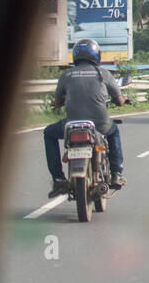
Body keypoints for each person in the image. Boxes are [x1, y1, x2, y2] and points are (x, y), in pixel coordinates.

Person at [44, 38, 126, 194]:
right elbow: (119, 100)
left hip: (72, 125)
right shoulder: (104, 74)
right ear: (96, 55)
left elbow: (57, 101)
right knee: (113, 132)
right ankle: (116, 173)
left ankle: (58, 178)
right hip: (100, 124)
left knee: (49, 133)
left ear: (75, 56)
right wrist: (123, 100)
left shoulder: (67, 75)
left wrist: (58, 103)